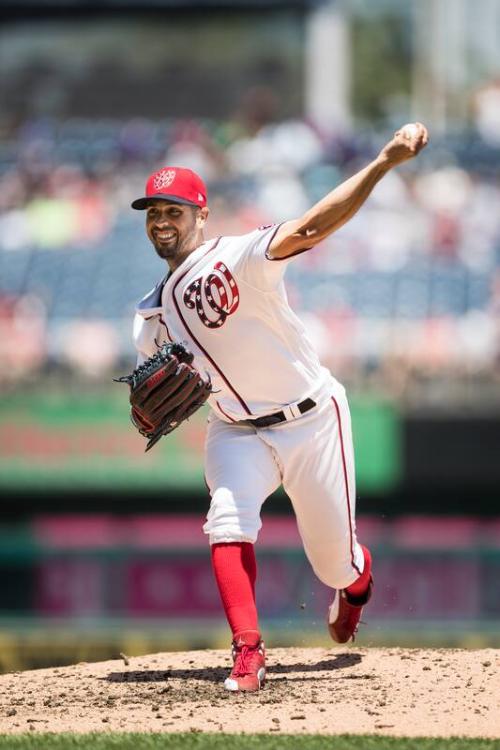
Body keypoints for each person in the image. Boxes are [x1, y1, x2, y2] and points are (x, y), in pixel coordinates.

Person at [130, 123, 429, 692]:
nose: (162, 221)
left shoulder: (240, 255)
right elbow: (153, 384)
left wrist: (384, 160)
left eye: (174, 210)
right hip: (235, 431)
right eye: (152, 213)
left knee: (334, 565)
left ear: (201, 216)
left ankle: (355, 585)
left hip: (311, 418)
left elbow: (314, 225)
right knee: (226, 520)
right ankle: (248, 654)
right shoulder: (148, 317)